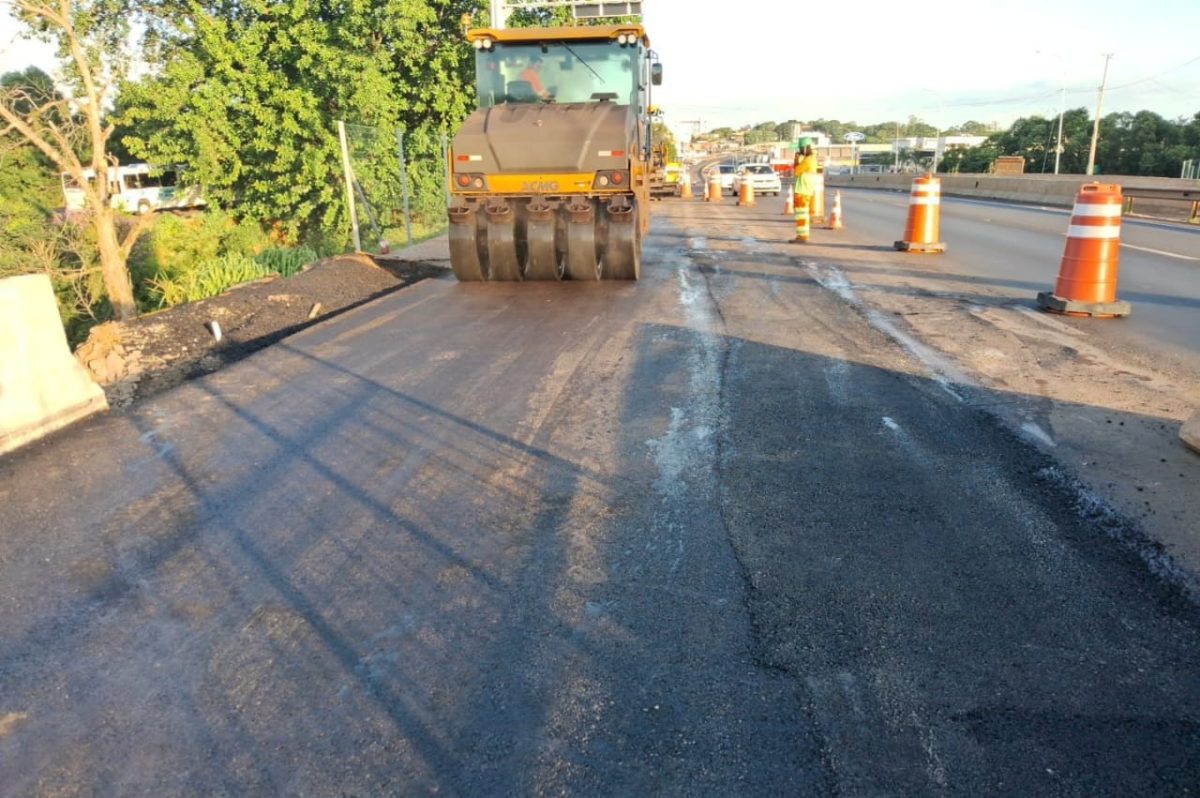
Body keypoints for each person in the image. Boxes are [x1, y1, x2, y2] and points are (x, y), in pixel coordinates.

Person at [792, 141, 819, 242]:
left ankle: (802, 237)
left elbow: (796, 171)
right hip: (807, 190)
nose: (800, 151)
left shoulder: (807, 160)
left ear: (804, 148)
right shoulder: (813, 159)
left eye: (800, 149)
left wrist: (796, 159)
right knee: (803, 214)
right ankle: (803, 235)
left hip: (802, 190)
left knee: (801, 215)